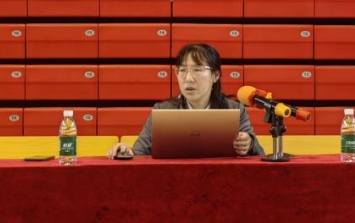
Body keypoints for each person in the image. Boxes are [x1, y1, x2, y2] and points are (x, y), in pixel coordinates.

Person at [106, 43, 263, 158]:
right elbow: (140, 152)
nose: (188, 78)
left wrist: (248, 143)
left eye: (197, 70)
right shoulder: (163, 110)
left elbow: (258, 154)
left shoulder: (234, 109)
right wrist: (126, 151)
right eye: (182, 70)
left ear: (215, 76)